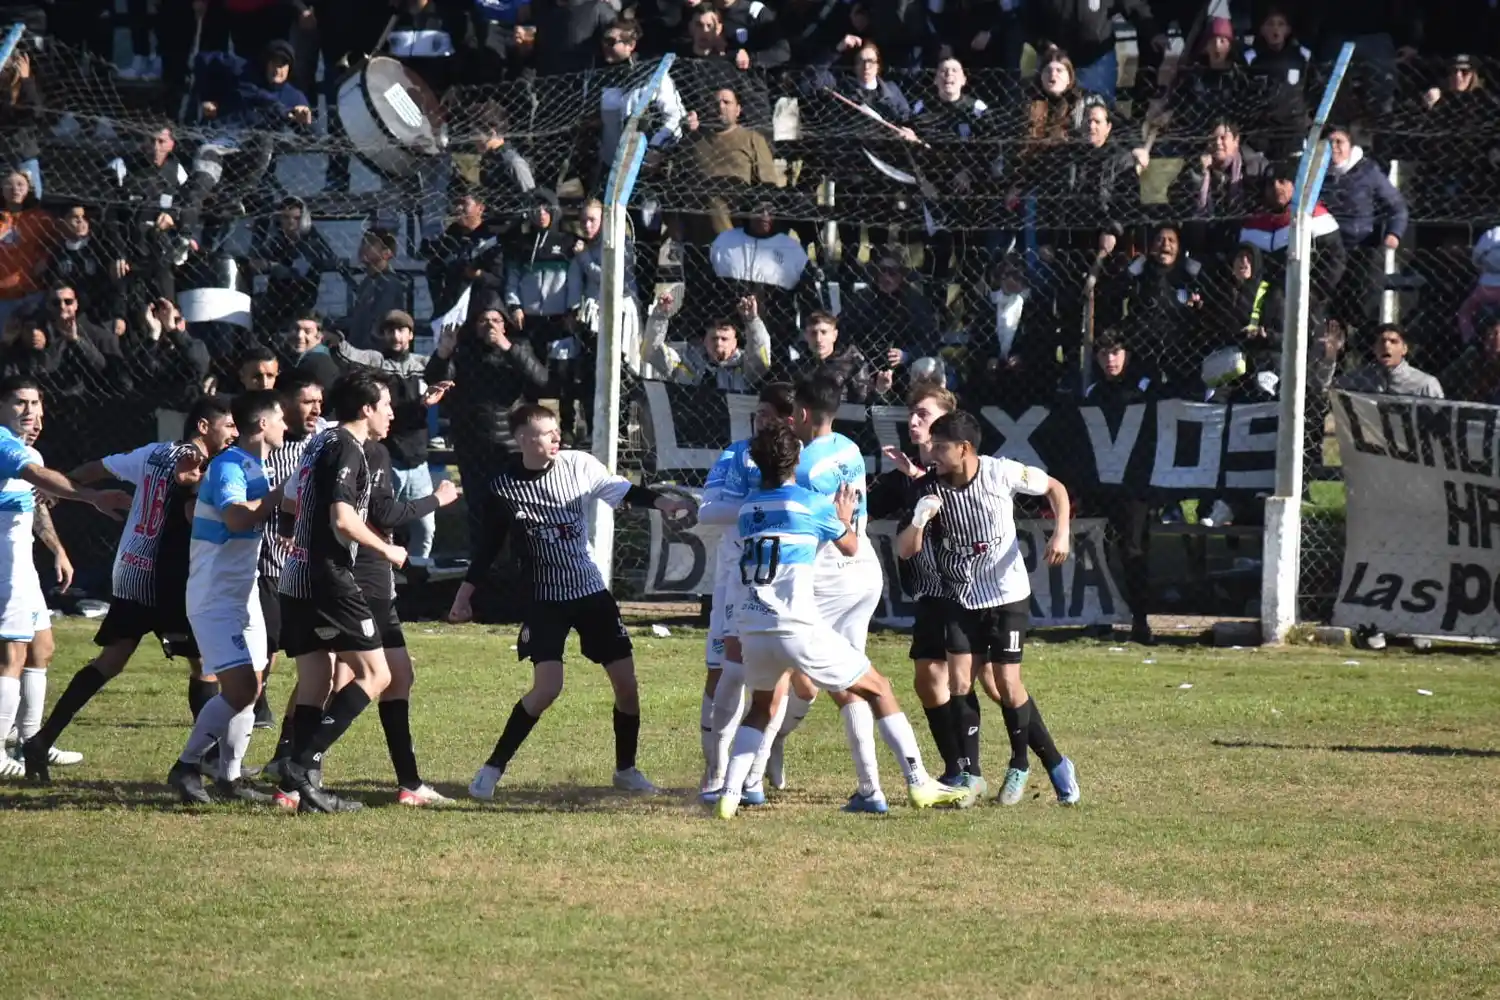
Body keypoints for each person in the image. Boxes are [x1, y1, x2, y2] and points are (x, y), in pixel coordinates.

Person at [713, 421, 970, 818]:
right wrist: (844, 514)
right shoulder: (811, 504)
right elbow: (850, 546)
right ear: (796, 460)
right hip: (795, 625)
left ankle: (730, 794)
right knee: (879, 688)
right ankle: (919, 783)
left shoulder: (748, 508)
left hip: (752, 625)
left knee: (761, 707)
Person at [455, 402, 694, 799]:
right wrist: (464, 596)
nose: (556, 438)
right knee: (547, 688)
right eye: (546, 433)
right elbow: (488, 547)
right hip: (545, 599)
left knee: (627, 686)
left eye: (557, 431)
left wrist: (663, 503)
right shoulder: (503, 487)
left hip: (589, 592)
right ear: (522, 440)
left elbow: (619, 489)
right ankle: (492, 768)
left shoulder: (578, 465)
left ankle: (626, 770)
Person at [20, 396, 232, 784]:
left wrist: (71, 487)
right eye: (229, 426)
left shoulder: (151, 452)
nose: (234, 433)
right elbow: (189, 490)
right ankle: (211, 760)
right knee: (205, 665)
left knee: (112, 659)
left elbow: (96, 468)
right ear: (203, 426)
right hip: (164, 577)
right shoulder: (193, 459)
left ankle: (40, 740)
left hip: (130, 568)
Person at [895, 410, 1080, 807]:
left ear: (964, 449)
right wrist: (919, 520)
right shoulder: (929, 488)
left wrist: (1061, 533)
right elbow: (905, 550)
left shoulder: (1001, 473)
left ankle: (1020, 765)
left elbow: (1057, 489)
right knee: (960, 683)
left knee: (1007, 684)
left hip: (1007, 594)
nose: (933, 455)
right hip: (961, 596)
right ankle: (971, 775)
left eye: (940, 448)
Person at [273, 371, 406, 813]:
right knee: (377, 675)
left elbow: (294, 498)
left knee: (316, 680)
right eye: (385, 404)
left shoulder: (319, 443)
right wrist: (388, 550)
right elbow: (344, 521)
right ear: (366, 409)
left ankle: (304, 790)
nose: (391, 413)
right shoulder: (346, 446)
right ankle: (300, 763)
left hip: (295, 577)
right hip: (326, 577)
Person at [167, 391, 287, 805]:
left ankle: (229, 778)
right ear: (262, 425)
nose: (286, 426)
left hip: (244, 593)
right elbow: (237, 517)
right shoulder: (230, 466)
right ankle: (185, 767)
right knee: (237, 690)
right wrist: (279, 495)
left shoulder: (255, 466)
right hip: (214, 597)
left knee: (252, 686)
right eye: (280, 419)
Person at [869, 383, 986, 793]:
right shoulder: (903, 473)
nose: (914, 421)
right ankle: (957, 769)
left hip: (967, 591)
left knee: (992, 682)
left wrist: (915, 476)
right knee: (926, 677)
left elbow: (949, 501)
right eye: (912, 413)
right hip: (930, 593)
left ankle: (1024, 760)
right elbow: (865, 506)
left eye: (924, 414)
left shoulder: (952, 471)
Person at [0, 388, 111, 777]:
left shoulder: (27, 453)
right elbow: (33, 478)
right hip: (3, 565)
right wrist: (90, 495)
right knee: (11, 653)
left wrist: (58, 551)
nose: (29, 410)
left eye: (35, 403)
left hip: (21, 564)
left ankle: (32, 743)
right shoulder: (3, 444)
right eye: (19, 402)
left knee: (41, 648)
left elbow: (33, 506)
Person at [695, 381, 795, 803]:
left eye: (769, 414)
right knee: (723, 669)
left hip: (786, 583)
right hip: (735, 579)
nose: (761, 420)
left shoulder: (800, 458)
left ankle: (760, 759)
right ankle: (715, 770)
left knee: (781, 675)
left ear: (791, 420)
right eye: (758, 413)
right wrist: (758, 507)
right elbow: (708, 509)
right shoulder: (736, 455)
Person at [327, 310, 451, 566]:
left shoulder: (422, 364)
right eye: (390, 330)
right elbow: (348, 356)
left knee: (425, 528)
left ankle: (418, 570)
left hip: (417, 460)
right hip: (388, 455)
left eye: (402, 329)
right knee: (382, 521)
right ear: (382, 335)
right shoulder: (376, 361)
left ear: (411, 334)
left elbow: (441, 371)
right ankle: (385, 572)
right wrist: (336, 340)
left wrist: (444, 353)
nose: (396, 335)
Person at [641, 292, 771, 390]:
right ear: (704, 341)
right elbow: (651, 352)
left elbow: (761, 361)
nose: (719, 343)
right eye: (714, 338)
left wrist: (753, 321)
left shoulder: (744, 368)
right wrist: (659, 316)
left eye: (724, 339)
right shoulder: (686, 362)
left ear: (735, 342)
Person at [1334, 324, 1444, 399]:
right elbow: (1326, 388)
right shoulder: (1359, 378)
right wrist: (1330, 357)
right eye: (1382, 341)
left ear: (1404, 349)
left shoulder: (1425, 384)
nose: (1386, 346)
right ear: (1374, 349)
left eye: (1393, 341)